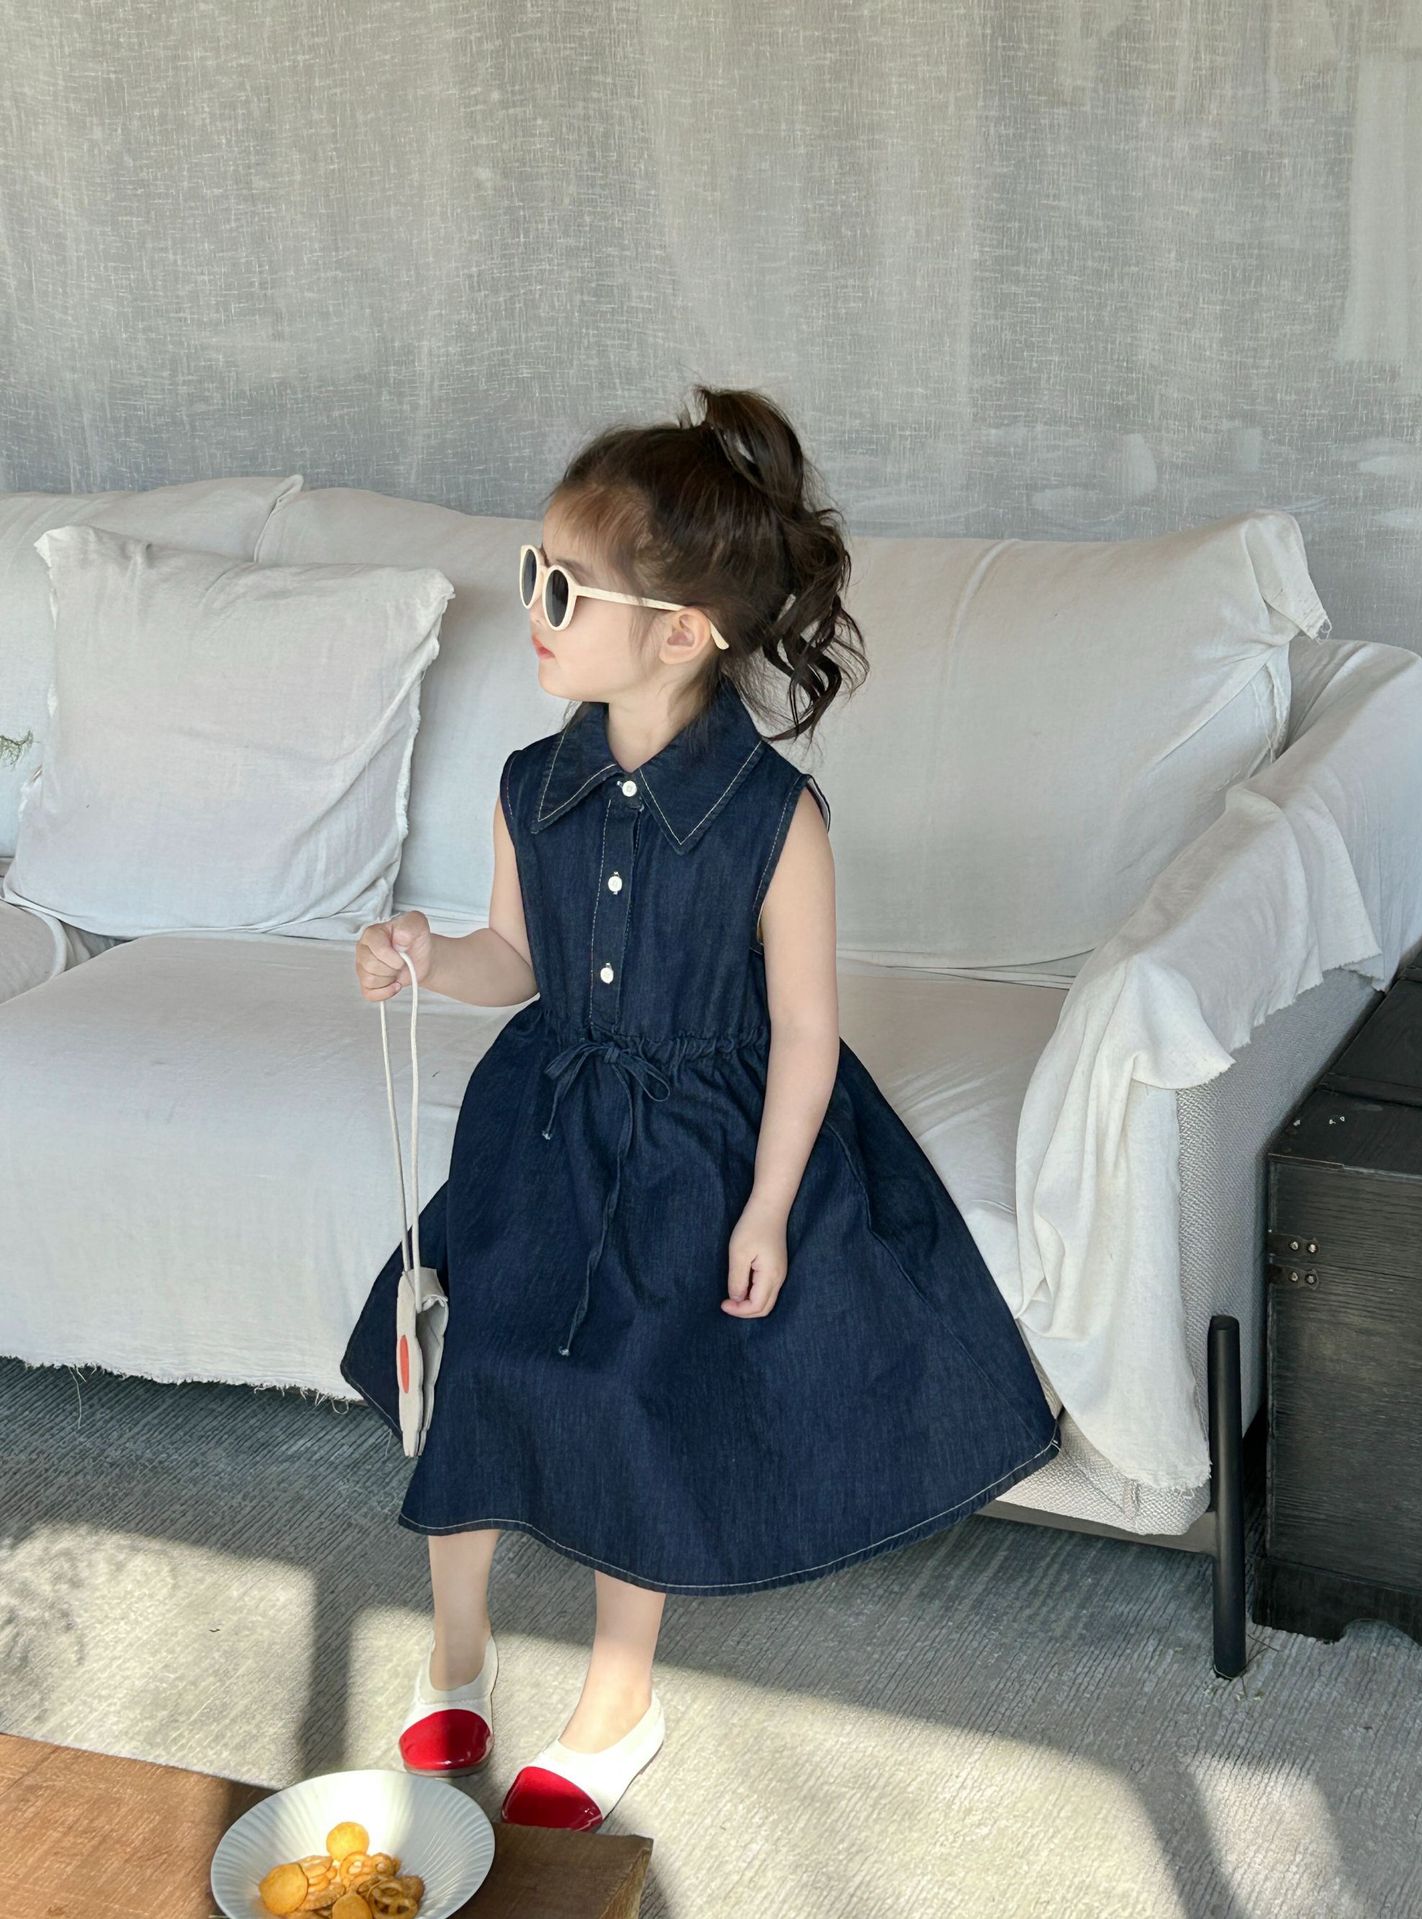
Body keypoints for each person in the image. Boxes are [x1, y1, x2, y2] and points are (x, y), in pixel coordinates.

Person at [339, 384, 1062, 1833]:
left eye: (565, 587)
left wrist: (772, 1205)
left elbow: (805, 1032)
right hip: (547, 1125)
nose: (532, 607)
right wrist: (427, 955)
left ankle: (619, 1699)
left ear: (680, 634)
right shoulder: (529, 784)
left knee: (637, 1390)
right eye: (531, 570)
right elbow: (514, 960)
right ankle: (456, 1652)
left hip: (700, 1144)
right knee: (476, 1357)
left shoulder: (775, 819)